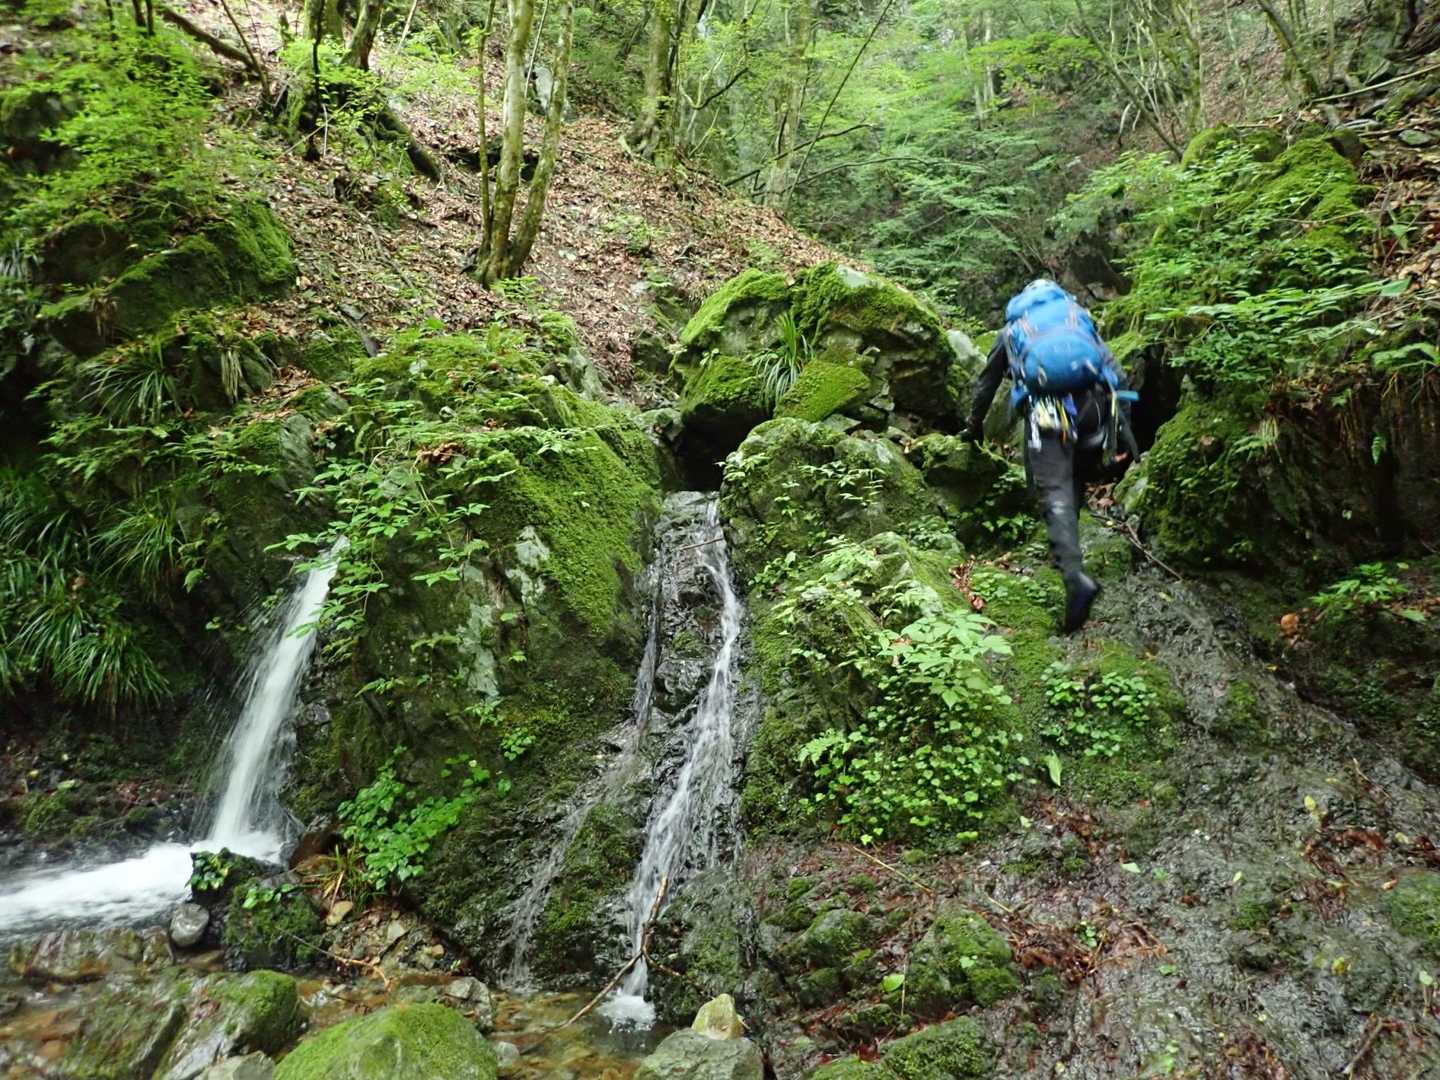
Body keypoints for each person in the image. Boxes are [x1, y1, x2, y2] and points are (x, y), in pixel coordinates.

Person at [963, 279, 1138, 633]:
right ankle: (1066, 547)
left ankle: (1074, 577)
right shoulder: (1077, 318)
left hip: (1048, 412)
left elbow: (986, 384)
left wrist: (973, 425)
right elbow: (1116, 375)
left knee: (1053, 487)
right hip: (1094, 407)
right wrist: (1124, 433)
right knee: (1075, 476)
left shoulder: (1013, 330)